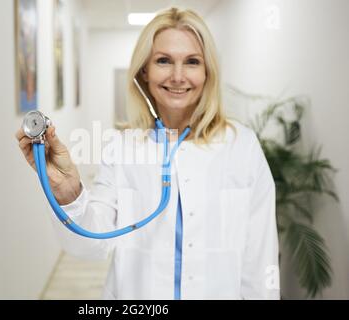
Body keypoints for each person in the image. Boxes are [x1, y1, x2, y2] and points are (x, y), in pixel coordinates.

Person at [15, 7, 280, 300]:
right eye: (164, 61)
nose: (178, 76)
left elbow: (260, 260)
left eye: (192, 62)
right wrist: (68, 193)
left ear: (207, 73)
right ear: (145, 71)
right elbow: (91, 246)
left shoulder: (241, 146)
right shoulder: (123, 146)